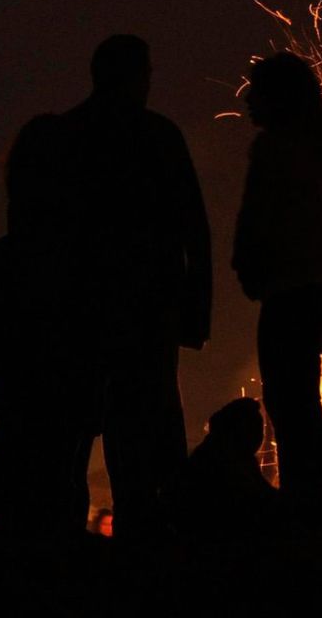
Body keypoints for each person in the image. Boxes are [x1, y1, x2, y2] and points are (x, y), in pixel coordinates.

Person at [56, 34, 213, 541]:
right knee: (144, 420)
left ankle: (64, 532)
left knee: (77, 423)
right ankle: (142, 529)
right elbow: (196, 227)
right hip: (148, 307)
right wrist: (196, 308)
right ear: (132, 76)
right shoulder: (159, 136)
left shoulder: (68, 134)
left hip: (80, 305)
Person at [233, 53, 322, 507]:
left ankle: (299, 508)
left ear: (279, 98)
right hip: (316, 287)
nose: (248, 101)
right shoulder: (318, 147)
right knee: (301, 402)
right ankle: (305, 504)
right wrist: (320, 252)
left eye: (258, 91)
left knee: (289, 403)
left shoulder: (275, 149)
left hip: (289, 292)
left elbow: (257, 219)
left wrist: (270, 263)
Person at [0, 113, 93, 537]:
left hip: (16, 360)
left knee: (19, 459)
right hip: (67, 360)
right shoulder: (79, 252)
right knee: (66, 465)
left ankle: (14, 558)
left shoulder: (7, 254)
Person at [164, 397, 322, 545]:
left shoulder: (234, 453)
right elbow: (259, 499)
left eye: (260, 429)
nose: (261, 436)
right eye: (256, 429)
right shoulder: (222, 459)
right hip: (213, 538)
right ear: (240, 430)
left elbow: (265, 494)